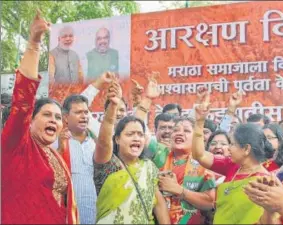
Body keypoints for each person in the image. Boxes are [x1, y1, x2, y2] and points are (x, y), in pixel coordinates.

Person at [1, 11, 78, 224]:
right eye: (46, 115)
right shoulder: (16, 145)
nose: (54, 120)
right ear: (30, 121)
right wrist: (34, 43)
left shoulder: (54, 155)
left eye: (57, 117)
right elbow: (23, 101)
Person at [134, 76, 216, 224]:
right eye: (176, 130)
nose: (179, 133)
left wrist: (179, 190)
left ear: (197, 137)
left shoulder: (204, 162)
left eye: (186, 131)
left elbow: (210, 202)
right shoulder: (160, 153)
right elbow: (136, 129)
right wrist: (147, 99)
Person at [93, 78, 170, 224]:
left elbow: (159, 205)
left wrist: (147, 99)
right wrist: (113, 106)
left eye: (140, 135)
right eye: (129, 135)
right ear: (117, 139)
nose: (136, 138)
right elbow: (104, 140)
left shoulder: (148, 167)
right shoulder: (108, 164)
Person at [192, 91, 270, 224]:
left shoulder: (266, 182)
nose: (228, 148)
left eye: (232, 144)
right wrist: (199, 122)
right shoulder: (230, 165)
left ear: (246, 149)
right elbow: (199, 155)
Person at [53, 94, 97, 224]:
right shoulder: (56, 142)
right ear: (66, 117)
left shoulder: (96, 143)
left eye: (86, 112)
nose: (84, 116)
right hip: (67, 216)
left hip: (94, 215)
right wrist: (61, 149)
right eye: (78, 112)